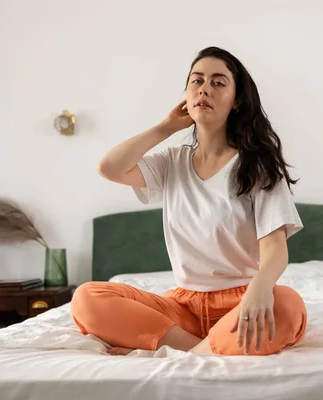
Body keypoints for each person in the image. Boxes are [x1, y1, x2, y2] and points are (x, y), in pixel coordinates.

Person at [71, 46, 307, 356]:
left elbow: (275, 248)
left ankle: (181, 350)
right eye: (197, 81)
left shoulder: (258, 167)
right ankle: (201, 350)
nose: (205, 88)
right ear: (186, 93)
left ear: (237, 101)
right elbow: (110, 168)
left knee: (288, 306)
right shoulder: (172, 164)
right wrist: (166, 127)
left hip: (241, 303)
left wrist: (261, 287)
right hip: (181, 308)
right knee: (87, 297)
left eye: (218, 82)